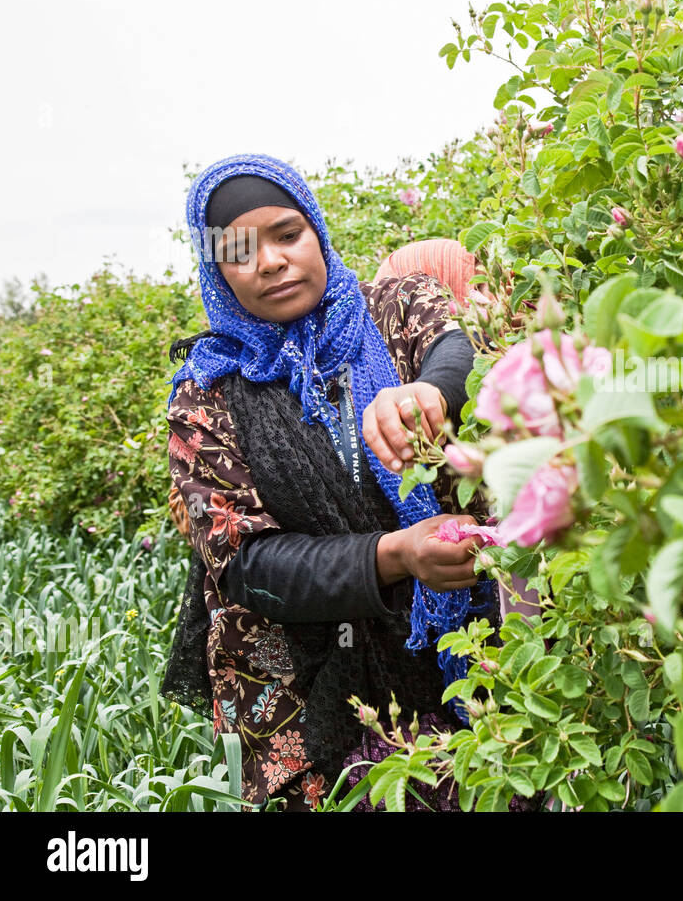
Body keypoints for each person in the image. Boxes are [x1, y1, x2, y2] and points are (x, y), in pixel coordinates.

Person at [161, 153, 538, 811]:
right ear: (215, 270)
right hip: (315, 691)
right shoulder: (206, 398)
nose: (272, 261)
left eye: (287, 234)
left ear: (317, 232)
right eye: (241, 251)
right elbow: (248, 564)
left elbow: (457, 345)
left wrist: (430, 392)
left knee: (502, 782)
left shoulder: (394, 310)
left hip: (470, 646)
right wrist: (395, 556)